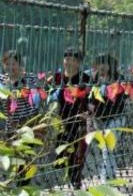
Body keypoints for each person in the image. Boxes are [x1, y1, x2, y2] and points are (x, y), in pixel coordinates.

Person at [49, 47, 91, 190]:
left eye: (74, 60)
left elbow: (92, 98)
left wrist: (90, 112)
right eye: (67, 59)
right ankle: (69, 178)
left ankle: (76, 180)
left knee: (78, 151)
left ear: (79, 63)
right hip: (61, 120)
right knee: (62, 152)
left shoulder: (85, 79)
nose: (69, 62)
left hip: (80, 120)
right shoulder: (56, 78)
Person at [1, 50, 40, 187]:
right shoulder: (1, 80)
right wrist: (5, 87)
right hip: (9, 128)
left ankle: (23, 186)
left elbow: (35, 101)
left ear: (19, 63)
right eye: (6, 64)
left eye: (13, 63)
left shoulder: (30, 78)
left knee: (26, 159)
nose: (10, 67)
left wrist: (22, 86)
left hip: (27, 126)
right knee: (13, 160)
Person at [88, 53, 126, 182]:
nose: (102, 67)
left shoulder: (119, 78)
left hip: (116, 118)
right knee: (107, 148)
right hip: (99, 120)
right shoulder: (93, 80)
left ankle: (106, 178)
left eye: (105, 64)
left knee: (107, 147)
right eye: (100, 64)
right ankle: (112, 174)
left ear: (111, 65)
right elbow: (91, 99)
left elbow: (122, 99)